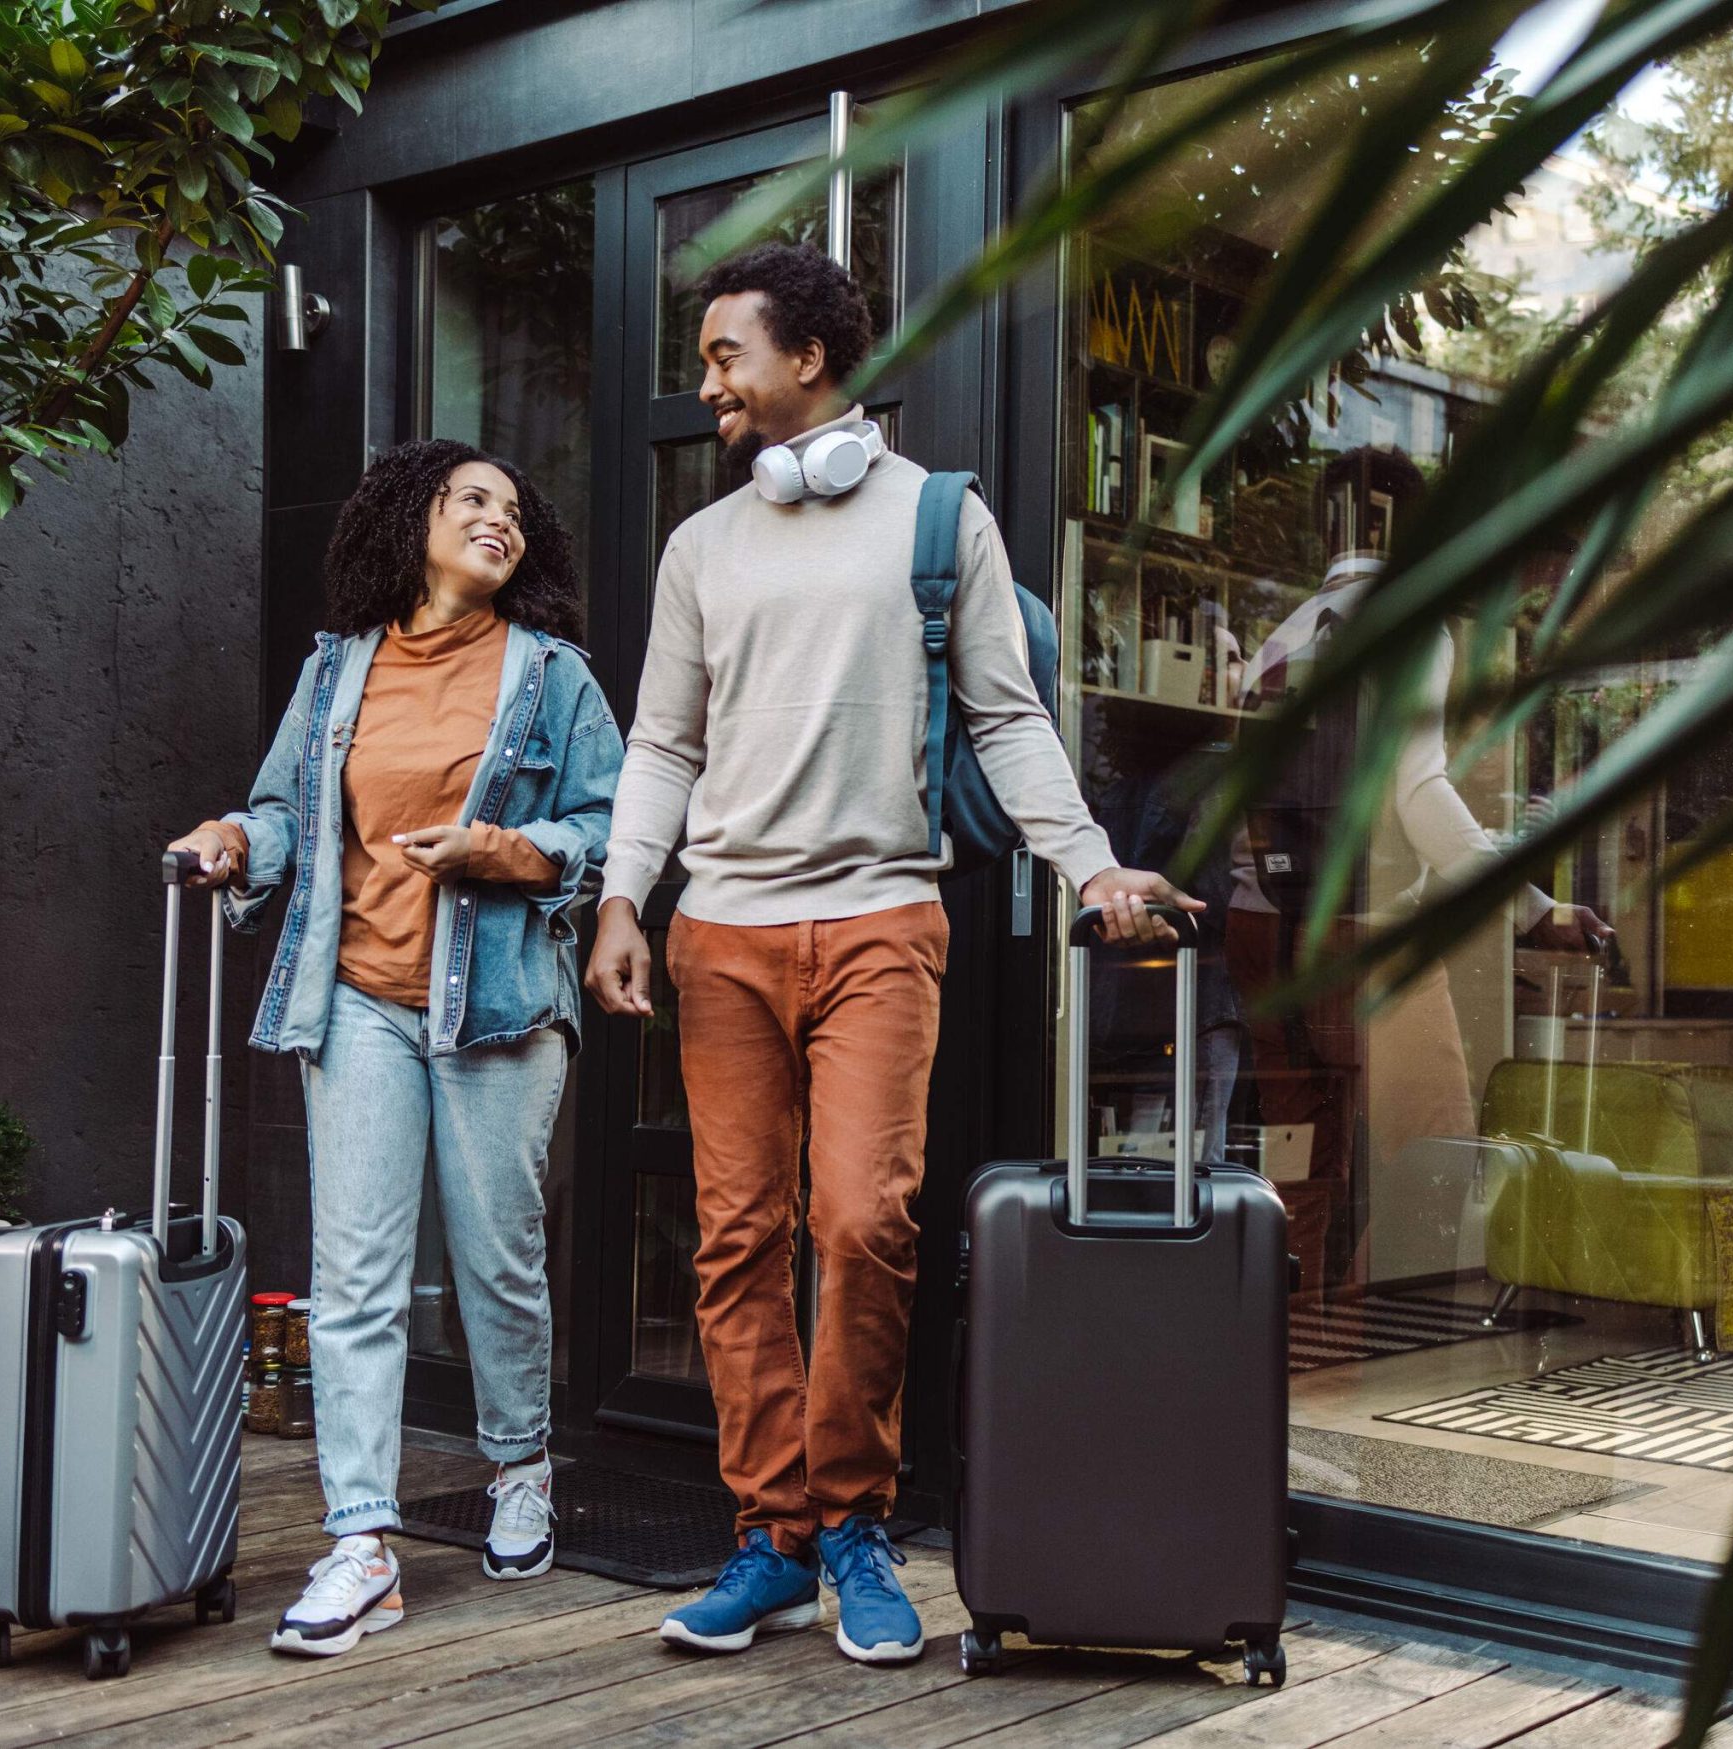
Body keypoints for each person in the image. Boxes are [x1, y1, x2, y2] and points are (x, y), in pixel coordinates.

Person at [584, 241, 1199, 1667]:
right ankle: (770, 1538)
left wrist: (1089, 862)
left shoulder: (939, 521)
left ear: (809, 356)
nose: (706, 382)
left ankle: (855, 1518)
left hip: (879, 919)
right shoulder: (701, 549)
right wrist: (624, 898)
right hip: (721, 928)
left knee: (863, 1224)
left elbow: (1008, 718)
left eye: (726, 353)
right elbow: (662, 741)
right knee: (737, 1236)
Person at [167, 439, 623, 1657]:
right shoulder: (335, 672)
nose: (497, 520)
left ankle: (518, 1466)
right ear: (405, 522)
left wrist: (512, 855)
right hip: (356, 995)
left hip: (499, 1003)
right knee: (354, 1276)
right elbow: (283, 815)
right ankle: (360, 1543)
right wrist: (230, 837)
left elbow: (609, 822)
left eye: (515, 512)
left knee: (496, 1258)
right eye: (471, 499)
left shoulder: (551, 676)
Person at [1227, 446, 1613, 1280]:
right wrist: (1536, 909)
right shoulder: (1413, 624)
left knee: (1301, 1160)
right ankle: (1380, 1360)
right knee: (1434, 1152)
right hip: (1371, 932)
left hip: (1262, 926)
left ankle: (1290, 1358)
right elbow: (1419, 793)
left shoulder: (1278, 638)